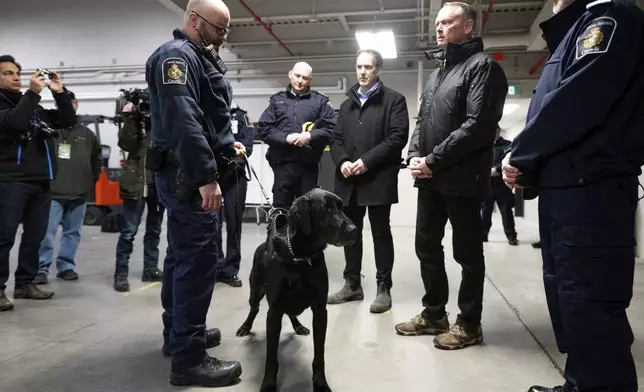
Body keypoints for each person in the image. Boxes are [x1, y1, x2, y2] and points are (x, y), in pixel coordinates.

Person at [502, 0, 644, 390]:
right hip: (566, 188)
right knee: (572, 301)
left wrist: (521, 155)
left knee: (591, 304)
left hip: (590, 190)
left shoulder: (611, 20)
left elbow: (576, 101)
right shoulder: (577, 29)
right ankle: (579, 384)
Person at [394, 2, 508, 350]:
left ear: (468, 27)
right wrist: (415, 156)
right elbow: (422, 122)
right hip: (430, 177)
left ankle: (470, 324)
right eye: (438, 22)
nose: (439, 28)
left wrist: (433, 159)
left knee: (467, 254)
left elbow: (477, 126)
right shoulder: (437, 73)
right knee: (426, 246)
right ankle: (434, 314)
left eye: (448, 22)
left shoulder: (482, 67)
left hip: (462, 179)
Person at [145, 0, 244, 386]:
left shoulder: (195, 57)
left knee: (180, 256)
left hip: (185, 171)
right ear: (194, 20)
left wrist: (225, 144)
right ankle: (188, 357)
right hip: (189, 176)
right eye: (218, 28)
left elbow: (205, 114)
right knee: (198, 260)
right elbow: (183, 121)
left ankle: (179, 335)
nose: (222, 36)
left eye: (226, 30)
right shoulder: (177, 58)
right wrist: (206, 176)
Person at [327, 49, 409, 313]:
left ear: (378, 70)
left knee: (380, 233)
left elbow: (397, 138)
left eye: (368, 67)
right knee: (350, 233)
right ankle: (352, 285)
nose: (363, 72)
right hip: (349, 179)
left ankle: (383, 288)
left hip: (377, 178)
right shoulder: (346, 104)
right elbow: (335, 139)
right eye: (359, 66)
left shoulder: (394, 101)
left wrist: (366, 161)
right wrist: (342, 162)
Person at [0, 55, 77, 311]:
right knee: (4, 237)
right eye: (8, 73)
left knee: (35, 236)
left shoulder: (33, 108)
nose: (15, 78)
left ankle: (25, 284)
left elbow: (67, 120)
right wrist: (32, 93)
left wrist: (59, 93)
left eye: (16, 73)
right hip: (10, 181)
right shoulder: (16, 105)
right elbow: (14, 123)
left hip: (40, 181)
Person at [35, 91, 102, 285]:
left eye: (73, 103)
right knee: (47, 233)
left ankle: (66, 266)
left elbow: (96, 159)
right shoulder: (50, 130)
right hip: (53, 191)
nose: (70, 107)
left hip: (79, 192)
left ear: (77, 105)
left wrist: (90, 180)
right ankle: (41, 268)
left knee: (72, 232)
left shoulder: (87, 134)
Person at [256, 62, 337, 209]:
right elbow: (263, 128)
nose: (300, 81)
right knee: (281, 212)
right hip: (282, 165)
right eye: (297, 76)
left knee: (307, 212)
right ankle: (281, 233)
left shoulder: (320, 101)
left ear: (310, 80)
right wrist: (284, 138)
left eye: (305, 78)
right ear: (290, 74)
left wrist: (310, 136)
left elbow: (333, 128)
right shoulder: (277, 100)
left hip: (308, 165)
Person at [113, 103, 164, 292]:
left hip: (158, 184)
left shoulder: (163, 120)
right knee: (128, 232)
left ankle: (150, 269)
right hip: (136, 183)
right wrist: (130, 118)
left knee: (154, 231)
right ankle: (121, 273)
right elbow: (126, 144)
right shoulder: (136, 121)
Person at [215, 101, 254, 288]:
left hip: (236, 176)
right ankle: (214, 267)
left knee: (234, 224)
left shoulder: (241, 116)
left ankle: (230, 270)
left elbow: (248, 146)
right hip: (213, 175)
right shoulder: (210, 111)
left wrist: (237, 152)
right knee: (212, 223)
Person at [481, 125, 518, 245]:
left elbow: (509, 159)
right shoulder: (484, 146)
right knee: (485, 212)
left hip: (503, 185)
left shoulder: (507, 144)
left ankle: (511, 236)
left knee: (506, 212)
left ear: (498, 131)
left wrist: (496, 170)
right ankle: (483, 235)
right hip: (487, 186)